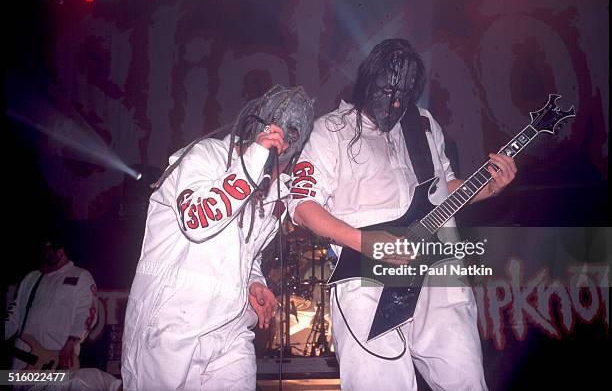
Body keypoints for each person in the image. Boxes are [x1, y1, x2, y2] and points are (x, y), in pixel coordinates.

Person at [288, 38, 517, 390]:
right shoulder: (330, 130)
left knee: (466, 380)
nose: (395, 102)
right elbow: (302, 206)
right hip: (367, 277)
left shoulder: (423, 123)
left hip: (439, 273)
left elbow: (444, 189)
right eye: (386, 91)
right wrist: (366, 242)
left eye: (404, 94)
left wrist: (489, 187)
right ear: (366, 82)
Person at [121, 85, 315, 390]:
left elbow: (246, 254)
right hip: (171, 324)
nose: (283, 137)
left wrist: (255, 282)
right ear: (258, 122)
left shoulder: (276, 191)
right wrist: (255, 159)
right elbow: (196, 221)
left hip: (231, 329)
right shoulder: (204, 156)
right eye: (275, 125)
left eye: (293, 131)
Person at [5, 237, 98, 370]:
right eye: (46, 250)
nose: (50, 254)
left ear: (62, 251)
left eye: (53, 249)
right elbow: (14, 314)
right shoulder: (31, 277)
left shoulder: (81, 276)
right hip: (22, 356)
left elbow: (87, 313)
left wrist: (71, 342)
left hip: (56, 358)